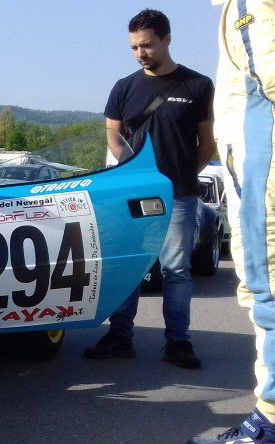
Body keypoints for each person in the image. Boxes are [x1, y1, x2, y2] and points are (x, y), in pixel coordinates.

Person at [85, 9, 216, 368]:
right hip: (132, 195)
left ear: (166, 39)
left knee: (176, 270)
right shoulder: (124, 87)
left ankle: (178, 343)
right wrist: (133, 171)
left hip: (179, 195)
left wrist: (180, 177)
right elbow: (113, 134)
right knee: (128, 265)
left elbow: (207, 144)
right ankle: (120, 336)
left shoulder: (198, 85)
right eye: (134, 47)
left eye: (147, 45)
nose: (140, 53)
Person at [187, 0, 275, 444]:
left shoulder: (248, 2)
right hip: (256, 166)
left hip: (263, 170)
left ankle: (271, 422)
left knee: (269, 292)